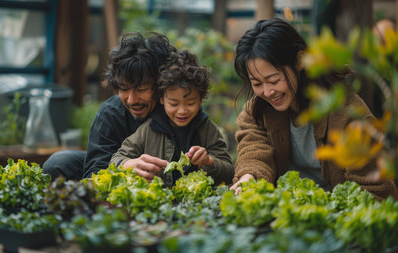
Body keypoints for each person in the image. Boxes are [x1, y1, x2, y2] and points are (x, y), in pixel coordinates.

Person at [229, 17, 398, 200]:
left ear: (299, 60)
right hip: (285, 214)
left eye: (274, 80)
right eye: (257, 83)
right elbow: (254, 150)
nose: (267, 92)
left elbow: (375, 193)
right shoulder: (256, 111)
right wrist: (249, 176)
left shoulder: (346, 111)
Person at [43, 32, 177, 180]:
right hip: (118, 176)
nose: (132, 100)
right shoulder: (111, 113)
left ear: (161, 85)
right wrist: (123, 167)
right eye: (124, 89)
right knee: (60, 162)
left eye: (141, 89)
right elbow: (93, 172)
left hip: (167, 179)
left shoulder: (179, 109)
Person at [110, 50, 234, 186]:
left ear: (201, 100)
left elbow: (229, 172)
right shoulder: (149, 129)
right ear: (161, 99)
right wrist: (127, 164)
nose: (182, 111)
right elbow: (117, 159)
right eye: (173, 104)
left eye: (191, 103)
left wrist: (209, 162)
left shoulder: (208, 129)